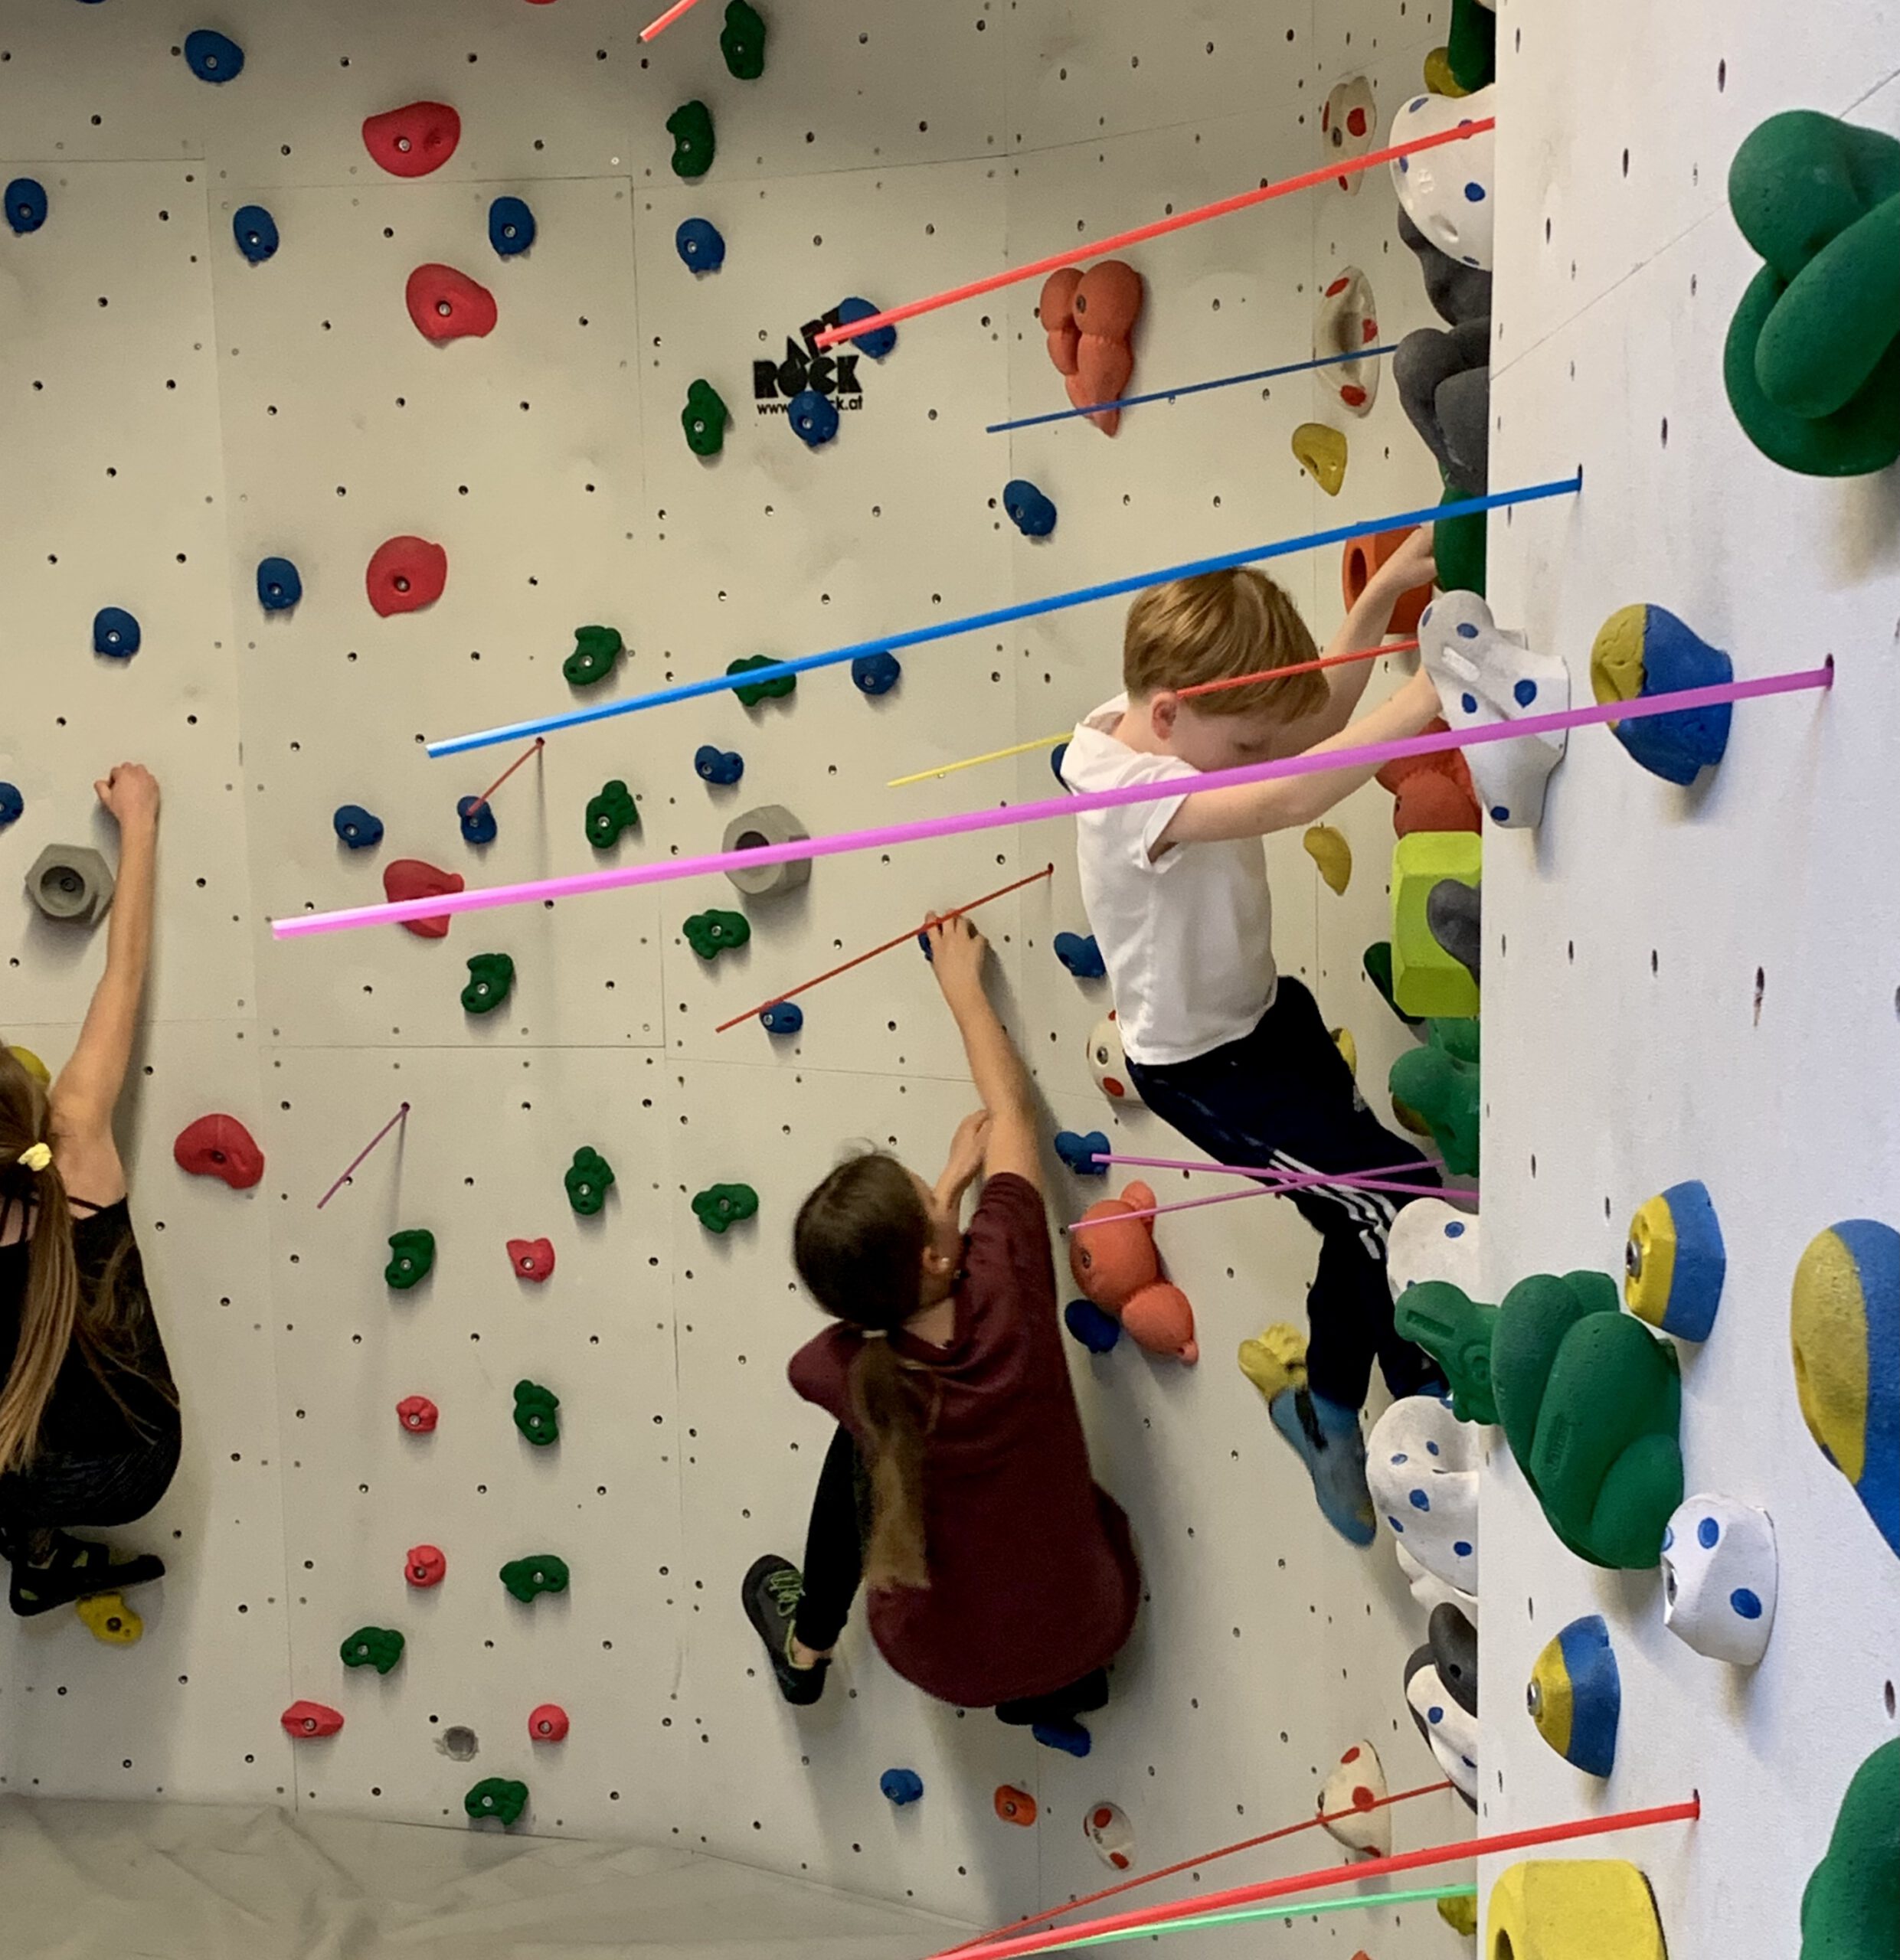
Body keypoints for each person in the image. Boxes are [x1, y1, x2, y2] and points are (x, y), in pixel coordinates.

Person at [1059, 534, 1447, 1546]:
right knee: (1390, 1209)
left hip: (1263, 1020)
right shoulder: (1122, 792)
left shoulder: (1169, 716)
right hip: (1206, 1076)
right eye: (1238, 745)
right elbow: (1292, 790)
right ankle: (1437, 1402)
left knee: (1359, 1206)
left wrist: (1376, 610)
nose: (1254, 756)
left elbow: (1295, 727)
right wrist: (1426, 695)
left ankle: (1325, 1404)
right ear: (1168, 715)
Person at [741, 913, 1140, 1756]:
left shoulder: (851, 1362)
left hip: (945, 1663)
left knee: (869, 1435)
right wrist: (964, 990)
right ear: (935, 1253)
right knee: (886, 1439)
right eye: (931, 1192)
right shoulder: (1006, 1280)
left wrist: (945, 1208)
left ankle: (806, 1646)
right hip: (1098, 1618)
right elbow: (1011, 1112)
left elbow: (859, 1343)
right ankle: (1056, 1676)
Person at [0, 763, 178, 1615]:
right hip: (138, 1461)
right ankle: (35, 1541)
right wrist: (137, 823)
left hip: (23, 1472)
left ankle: (29, 1536)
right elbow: (124, 977)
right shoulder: (71, 1140)